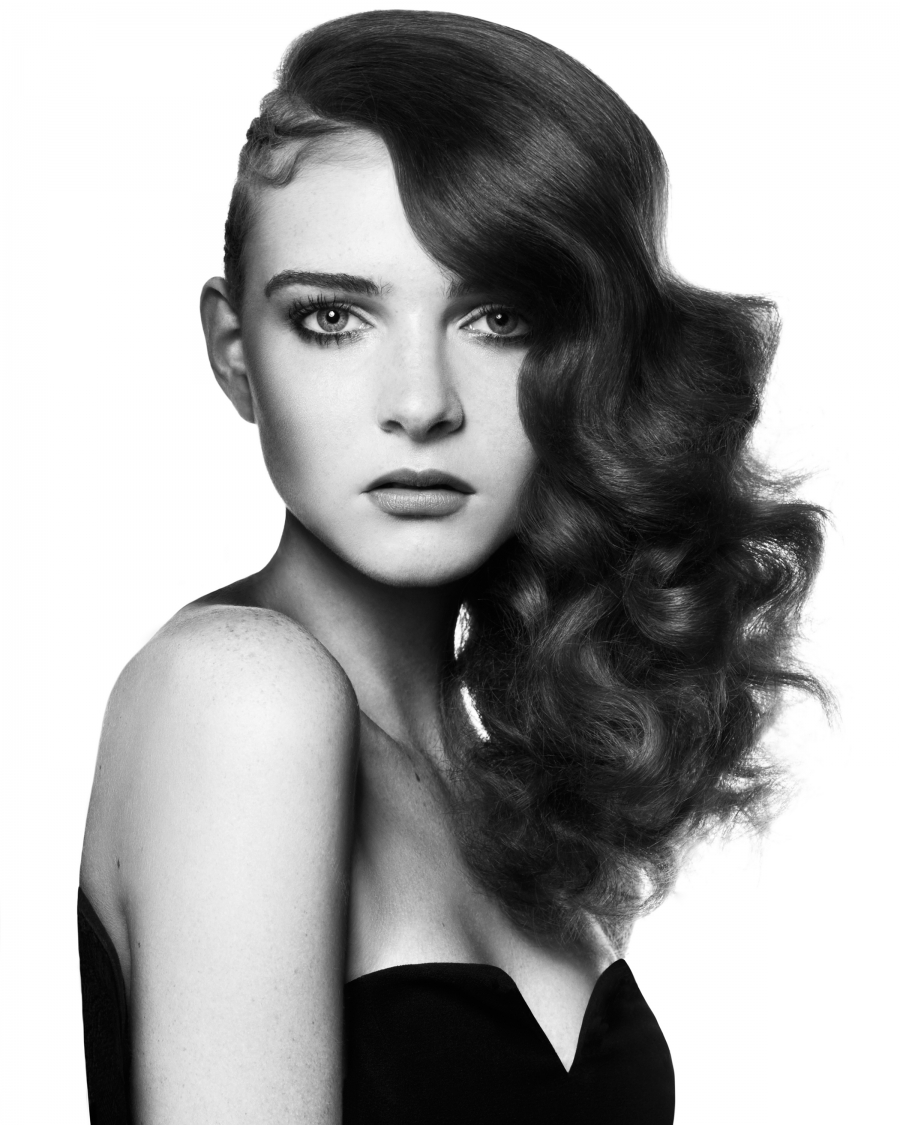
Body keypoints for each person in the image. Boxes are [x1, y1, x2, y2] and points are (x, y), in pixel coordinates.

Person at [77, 10, 825, 1124]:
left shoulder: (494, 775)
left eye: (496, 316)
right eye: (334, 316)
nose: (420, 403)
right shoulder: (240, 692)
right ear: (235, 352)